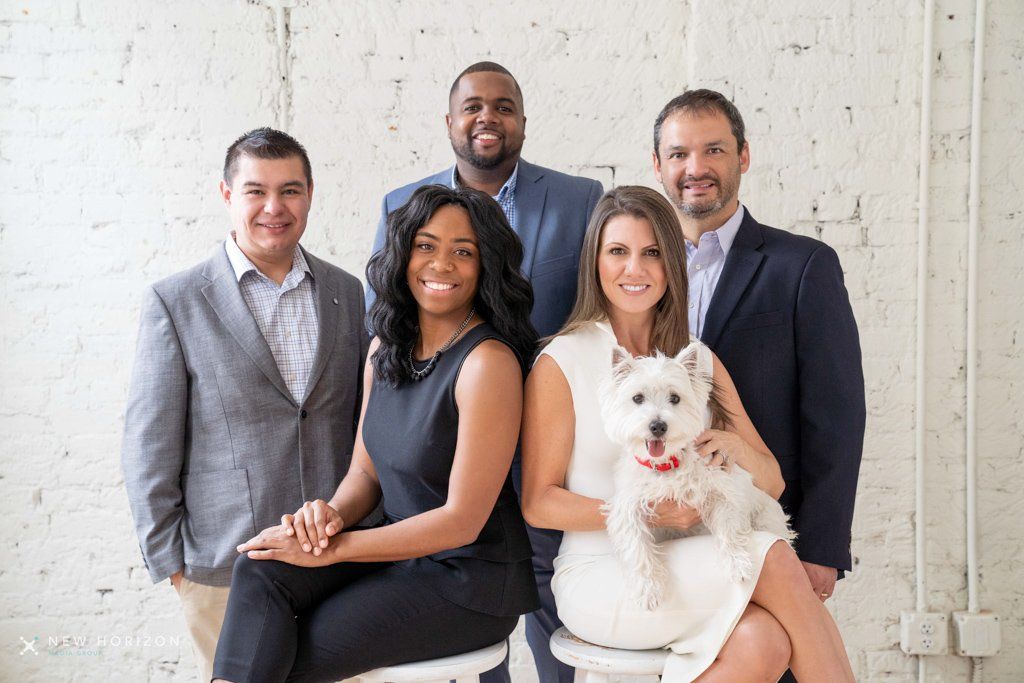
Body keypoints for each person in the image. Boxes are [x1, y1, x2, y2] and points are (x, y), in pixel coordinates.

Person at [522, 186, 856, 681]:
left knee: (763, 641)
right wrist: (649, 511)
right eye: (618, 252)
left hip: (691, 556)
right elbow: (538, 502)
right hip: (605, 571)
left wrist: (736, 446)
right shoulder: (562, 361)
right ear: (596, 261)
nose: (634, 269)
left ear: (672, 263)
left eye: (652, 253)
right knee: (774, 557)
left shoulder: (695, 360)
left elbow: (772, 482)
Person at [210, 185, 540, 682]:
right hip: (398, 557)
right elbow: (364, 471)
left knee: (287, 649)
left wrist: (337, 548)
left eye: (463, 251)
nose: (441, 264)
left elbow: (460, 522)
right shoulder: (385, 348)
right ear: (404, 253)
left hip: (468, 579)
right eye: (426, 245)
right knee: (261, 568)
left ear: (485, 265)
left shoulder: (487, 363)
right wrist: (329, 519)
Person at [369, 61, 603, 682]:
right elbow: (387, 328)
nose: (487, 117)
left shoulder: (580, 200)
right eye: (473, 106)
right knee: (463, 617)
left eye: (503, 106)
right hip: (446, 451)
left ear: (522, 122)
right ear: (450, 122)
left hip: (547, 447)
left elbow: (597, 315)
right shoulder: (402, 205)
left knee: (559, 608)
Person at [121, 128, 367, 683]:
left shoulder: (346, 292)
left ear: (310, 195)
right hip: (226, 567)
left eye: (291, 190)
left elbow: (362, 426)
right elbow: (149, 443)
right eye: (256, 190)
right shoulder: (177, 300)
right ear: (227, 195)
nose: (274, 207)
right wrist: (176, 567)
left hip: (335, 558)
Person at [651, 90, 865, 609]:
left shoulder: (802, 267)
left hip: (767, 522)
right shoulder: (637, 271)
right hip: (665, 530)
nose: (695, 167)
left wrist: (820, 545)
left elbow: (836, 418)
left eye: (714, 150)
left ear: (743, 156)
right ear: (657, 166)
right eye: (679, 154)